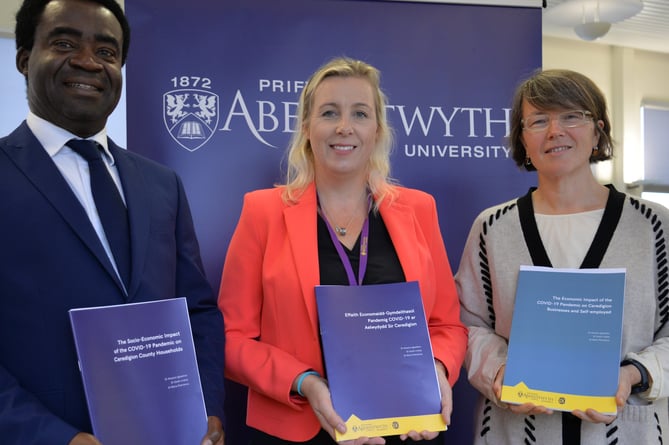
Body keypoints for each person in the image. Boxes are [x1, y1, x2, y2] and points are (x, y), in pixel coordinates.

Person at [0, 0, 226, 444]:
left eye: (106, 52)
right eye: (64, 43)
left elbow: (197, 309)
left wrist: (208, 409)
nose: (87, 61)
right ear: (25, 59)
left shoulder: (163, 185)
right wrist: (54, 437)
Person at [217, 56, 467, 445]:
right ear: (306, 128)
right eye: (329, 113)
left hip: (407, 425)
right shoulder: (262, 212)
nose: (344, 127)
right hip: (299, 427)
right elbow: (231, 337)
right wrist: (306, 383)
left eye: (360, 113)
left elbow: (447, 326)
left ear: (378, 129)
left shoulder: (419, 209)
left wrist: (435, 369)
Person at [455, 68, 669, 444]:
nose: (555, 131)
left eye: (572, 116)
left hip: (630, 432)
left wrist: (634, 374)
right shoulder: (492, 227)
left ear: (597, 130)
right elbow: (467, 323)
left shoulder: (654, 225)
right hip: (514, 432)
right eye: (538, 121)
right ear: (523, 138)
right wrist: (499, 372)